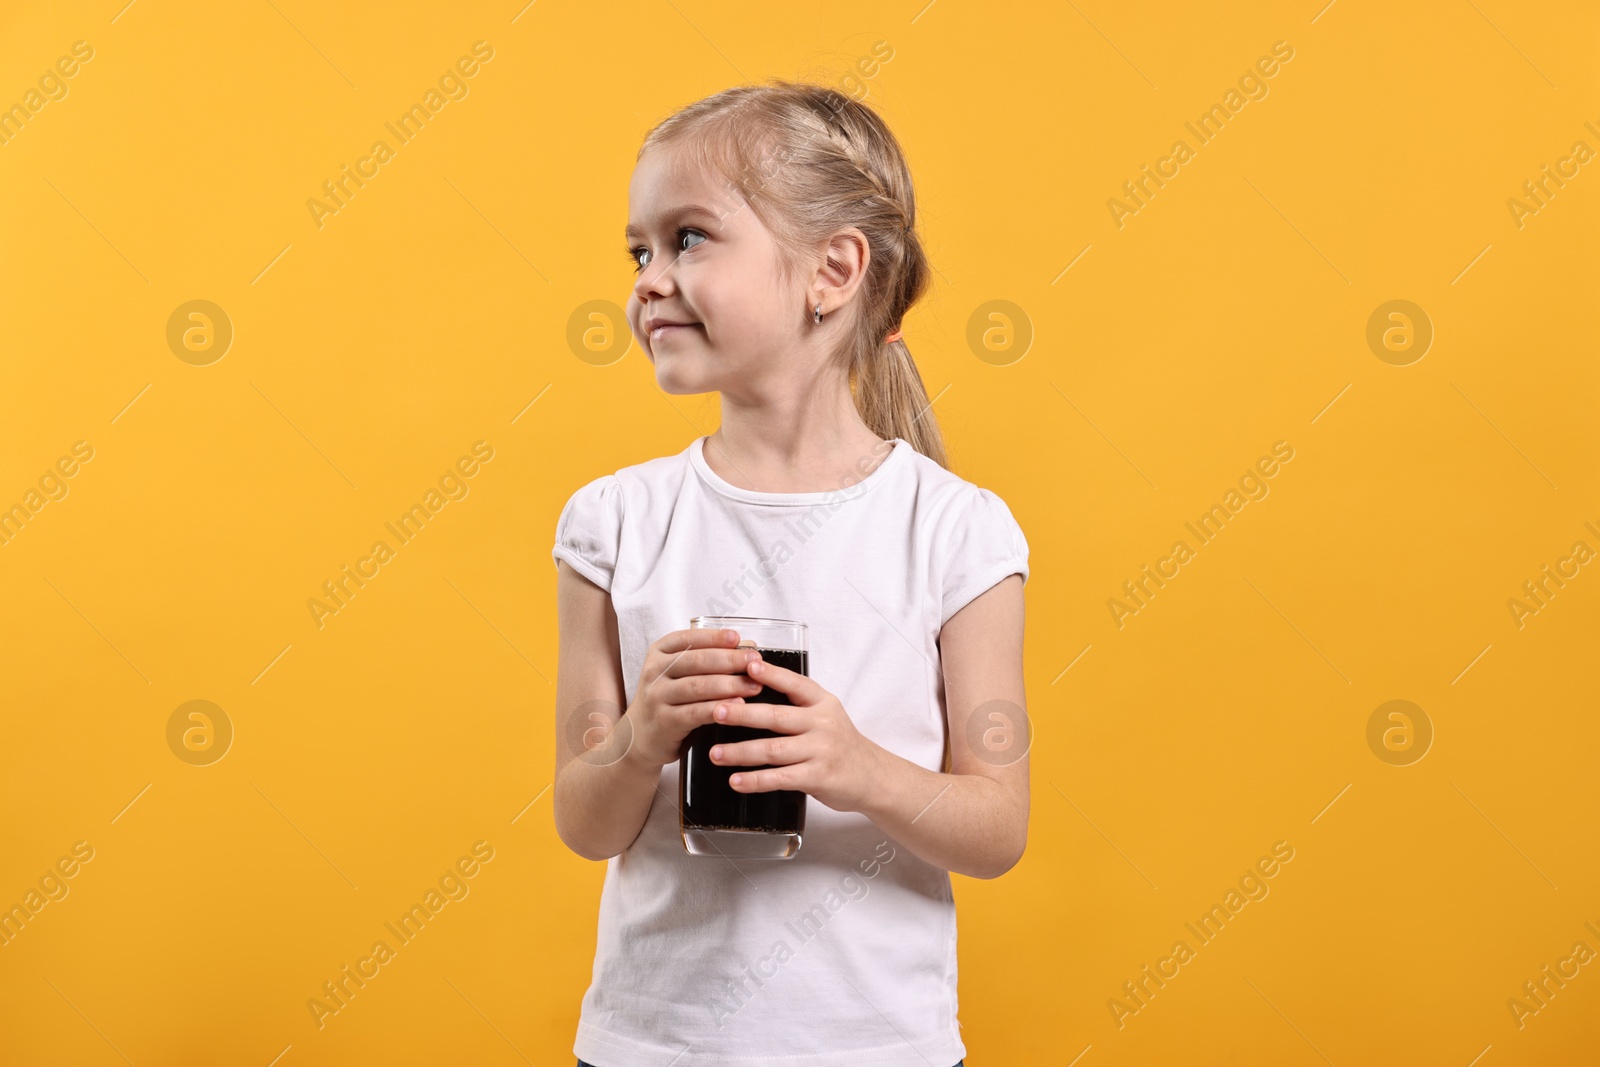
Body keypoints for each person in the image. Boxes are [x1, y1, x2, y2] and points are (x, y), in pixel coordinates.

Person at [553, 79, 1027, 1067]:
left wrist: (859, 768)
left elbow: (996, 826)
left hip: (877, 1046)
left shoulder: (955, 532)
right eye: (639, 250)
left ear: (832, 270)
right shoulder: (612, 523)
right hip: (651, 1043)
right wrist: (640, 738)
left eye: (688, 238)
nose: (646, 277)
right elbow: (583, 819)